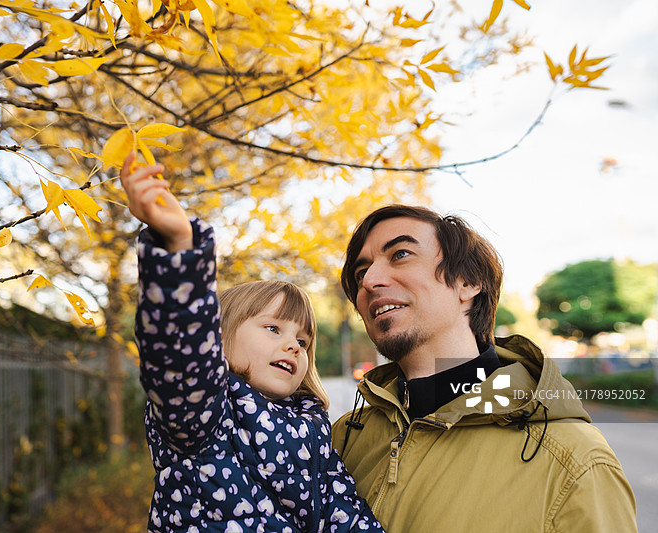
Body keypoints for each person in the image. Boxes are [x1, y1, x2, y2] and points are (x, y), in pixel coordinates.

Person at [120, 153, 385, 533]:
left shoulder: (313, 432)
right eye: (273, 329)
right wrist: (179, 246)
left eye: (303, 341)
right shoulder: (204, 414)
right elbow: (179, 351)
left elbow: (346, 517)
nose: (294, 346)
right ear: (219, 338)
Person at [332, 204, 638, 533]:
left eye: (400, 254)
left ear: (468, 281)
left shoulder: (575, 462)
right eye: (361, 272)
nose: (370, 281)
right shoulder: (340, 439)